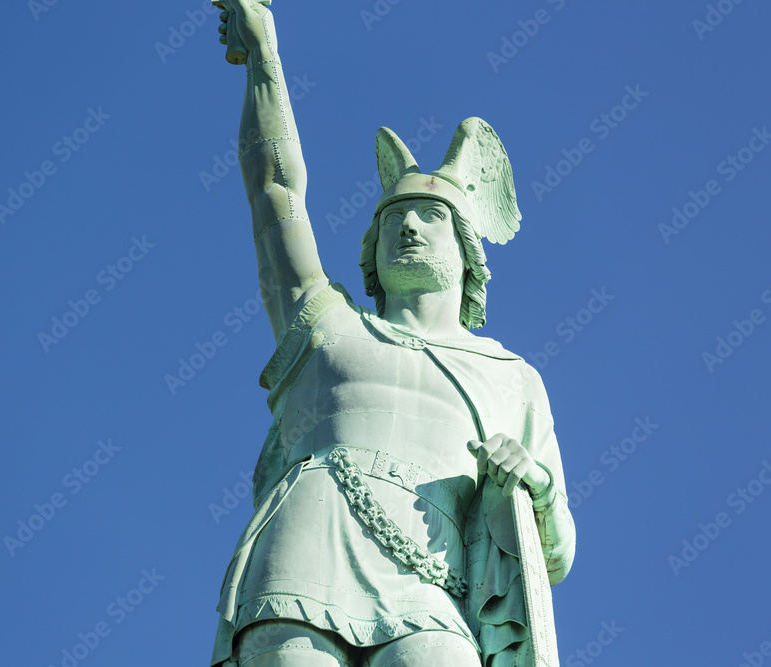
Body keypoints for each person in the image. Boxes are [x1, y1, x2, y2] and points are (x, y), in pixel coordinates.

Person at [209, 2, 576, 665]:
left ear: (468, 250)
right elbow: (275, 195)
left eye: (430, 215)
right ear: (370, 248)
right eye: (393, 218)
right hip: (303, 554)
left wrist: (537, 484)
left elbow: (556, 553)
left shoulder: (513, 376)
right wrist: (263, 58)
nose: (408, 228)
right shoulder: (326, 325)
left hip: (435, 582)